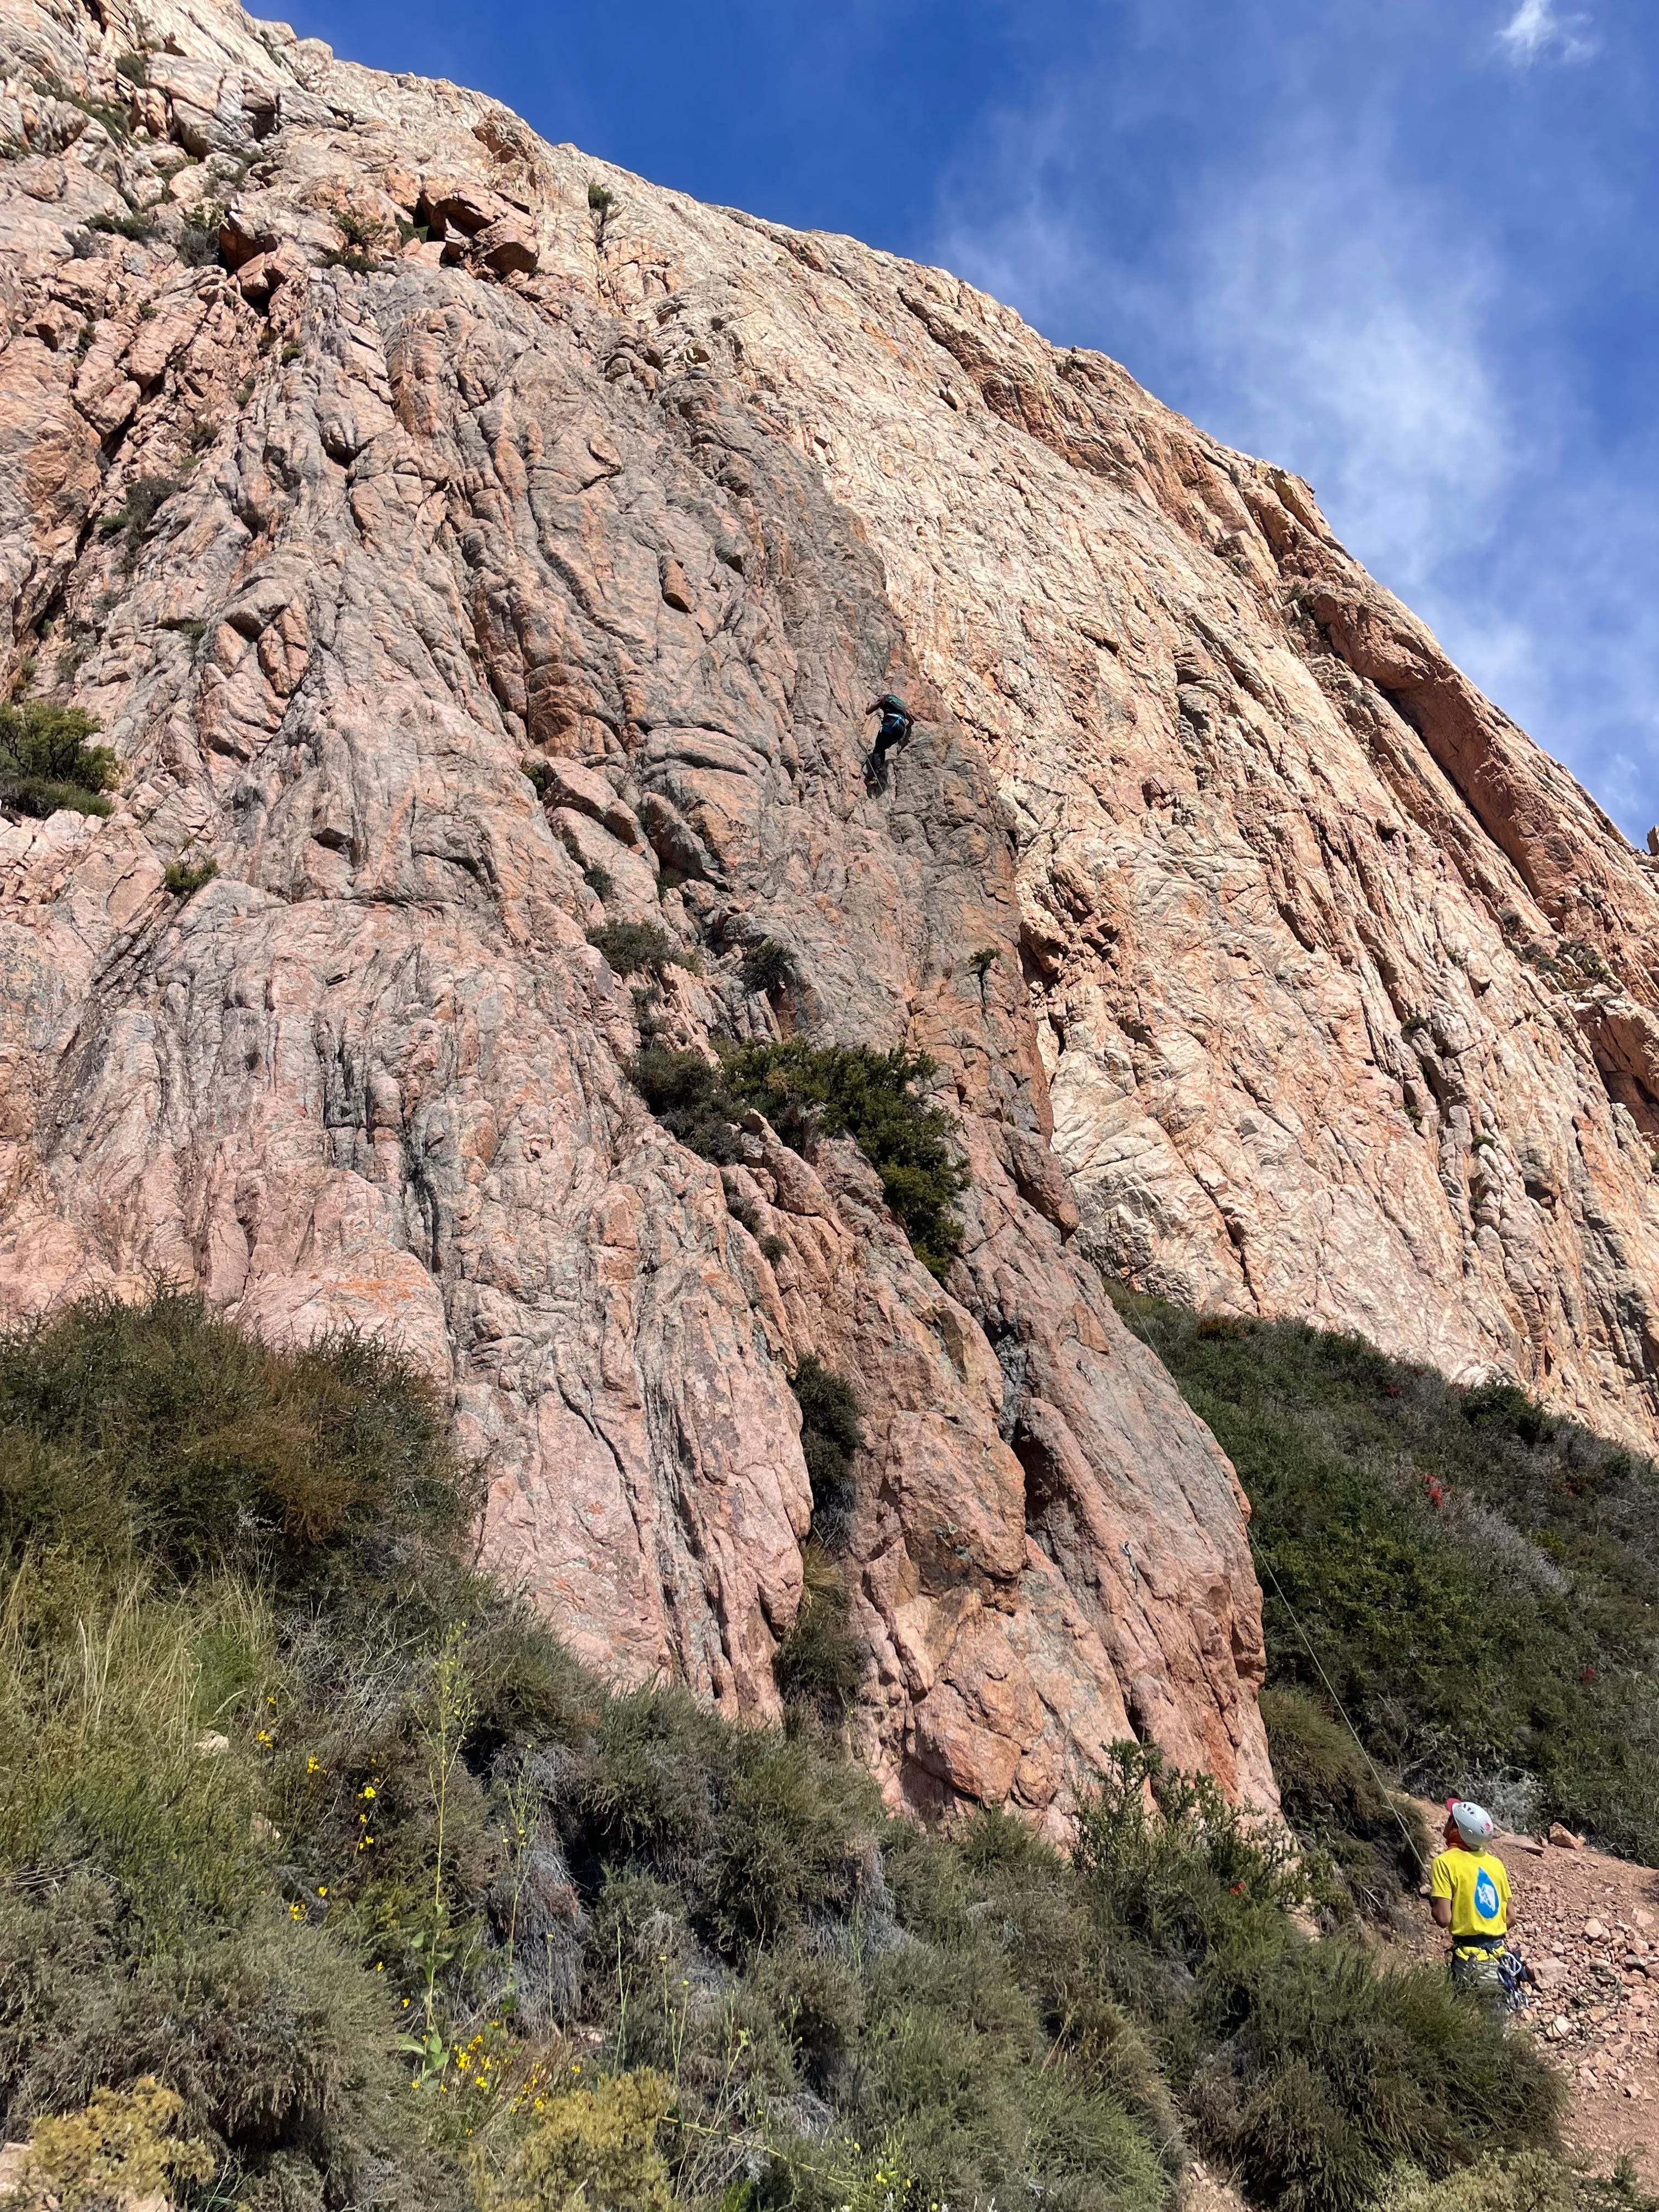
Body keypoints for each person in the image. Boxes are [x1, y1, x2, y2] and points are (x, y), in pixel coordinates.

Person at [1430, 1798, 1515, 2004]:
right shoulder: (1496, 1864)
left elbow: (1443, 1918)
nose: (1447, 1823)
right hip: (1499, 1958)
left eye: (1450, 1820)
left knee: (1464, 2015)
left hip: (1469, 1961)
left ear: (1457, 1829)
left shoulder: (1444, 1862)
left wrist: (1436, 1903)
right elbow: (1511, 1917)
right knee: (1495, 2018)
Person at [864, 694, 914, 793]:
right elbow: (912, 721)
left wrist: (868, 706)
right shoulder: (901, 705)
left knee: (878, 749)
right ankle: (879, 768)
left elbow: (868, 712)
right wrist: (907, 726)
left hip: (890, 724)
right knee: (882, 747)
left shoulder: (884, 698)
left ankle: (873, 776)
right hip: (901, 729)